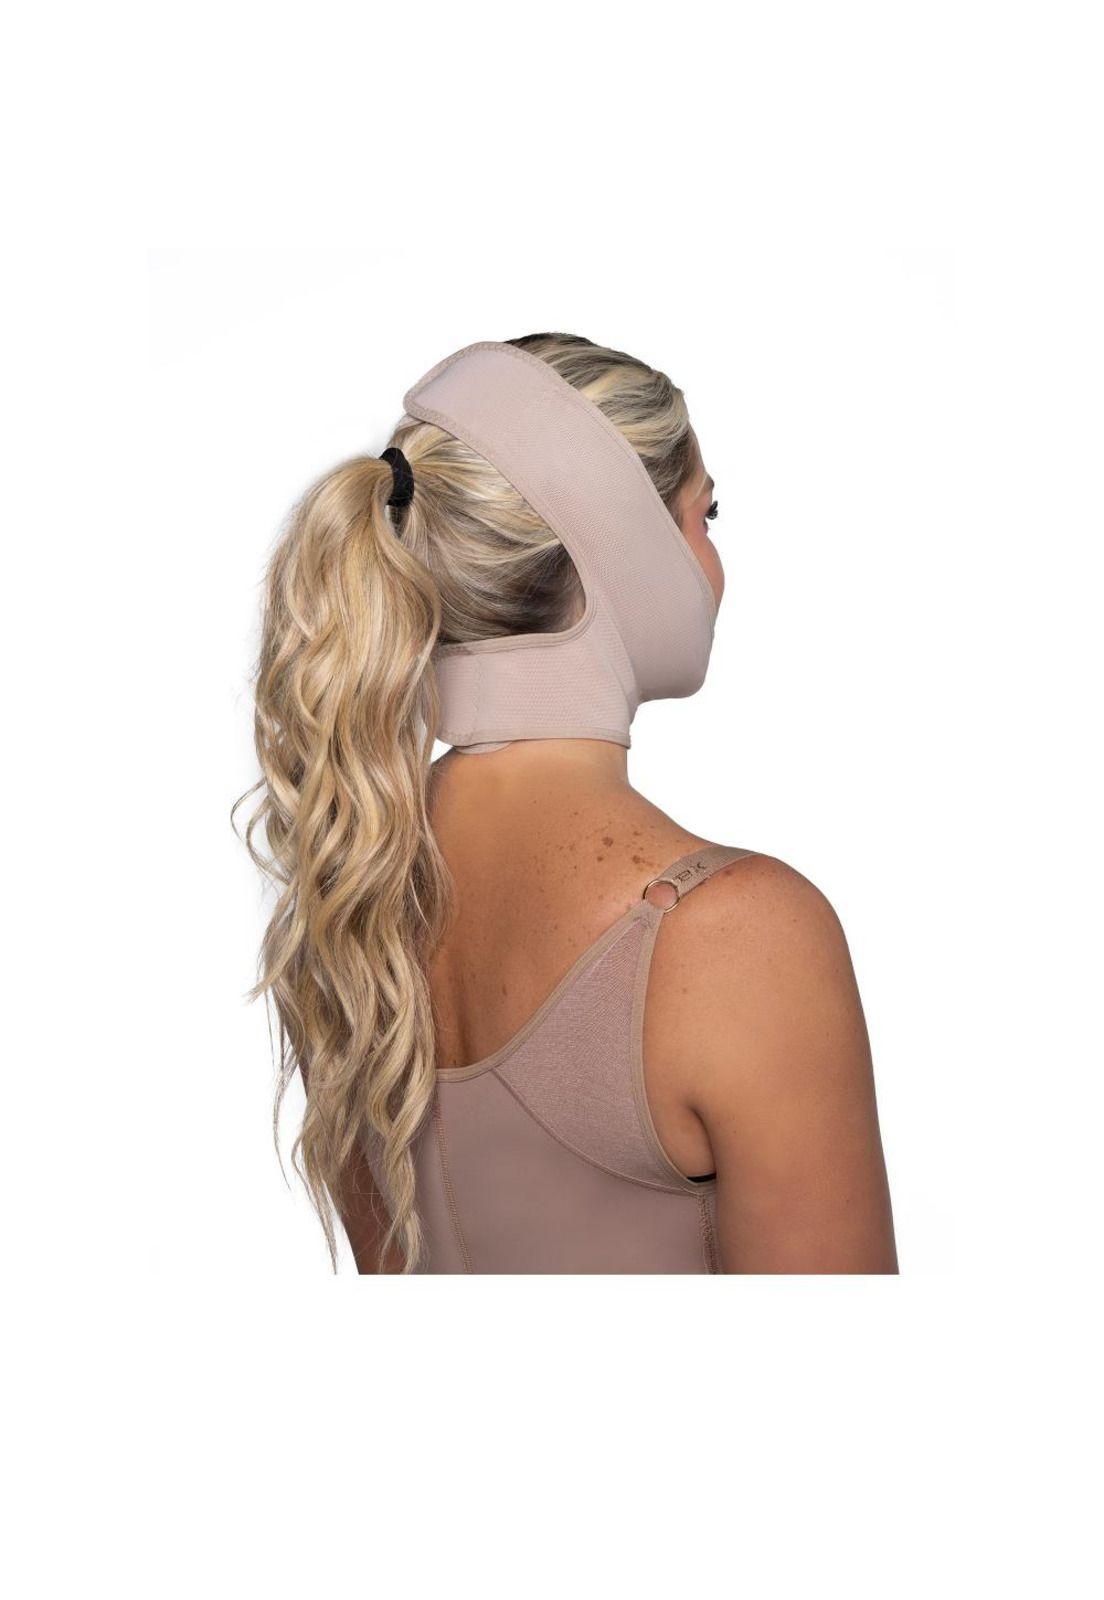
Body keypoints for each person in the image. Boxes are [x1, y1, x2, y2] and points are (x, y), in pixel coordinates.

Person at [242, 333, 897, 1274]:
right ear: (624, 544)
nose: (714, 560)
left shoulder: (348, 907)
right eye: (705, 515)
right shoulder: (739, 936)